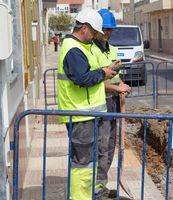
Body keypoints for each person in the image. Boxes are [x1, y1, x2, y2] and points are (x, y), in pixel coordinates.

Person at [57, 8, 119, 200]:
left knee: (86, 163)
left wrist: (103, 71)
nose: (95, 37)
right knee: (82, 163)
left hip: (86, 114)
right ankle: (79, 197)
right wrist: (103, 74)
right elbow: (82, 78)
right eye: (93, 32)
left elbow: (87, 71)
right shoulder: (73, 49)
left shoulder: (81, 47)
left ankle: (86, 194)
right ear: (84, 28)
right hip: (79, 114)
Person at [91, 8, 131, 198]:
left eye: (110, 30)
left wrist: (123, 85)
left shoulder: (112, 49)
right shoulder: (91, 51)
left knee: (110, 144)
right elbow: (96, 81)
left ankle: (102, 183)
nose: (107, 33)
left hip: (114, 103)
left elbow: (116, 78)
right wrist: (116, 88)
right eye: (104, 29)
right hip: (101, 103)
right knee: (101, 145)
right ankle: (96, 187)